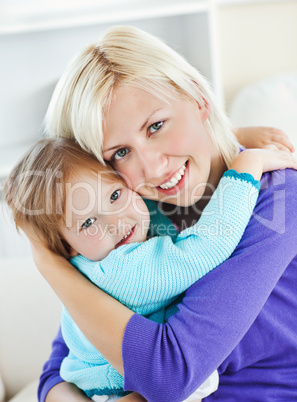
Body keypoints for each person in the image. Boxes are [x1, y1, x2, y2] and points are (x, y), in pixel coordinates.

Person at [20, 26, 297, 402]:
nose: (151, 168)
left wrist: (50, 264)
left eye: (156, 126)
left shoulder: (279, 199)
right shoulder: (133, 213)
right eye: (119, 152)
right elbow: (63, 364)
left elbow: (167, 374)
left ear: (199, 99)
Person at [6, 137, 288, 401]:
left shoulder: (91, 261)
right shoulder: (122, 268)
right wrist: (247, 166)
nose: (115, 222)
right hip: (115, 390)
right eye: (88, 223)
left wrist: (234, 135)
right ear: (68, 248)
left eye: (115, 195)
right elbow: (209, 246)